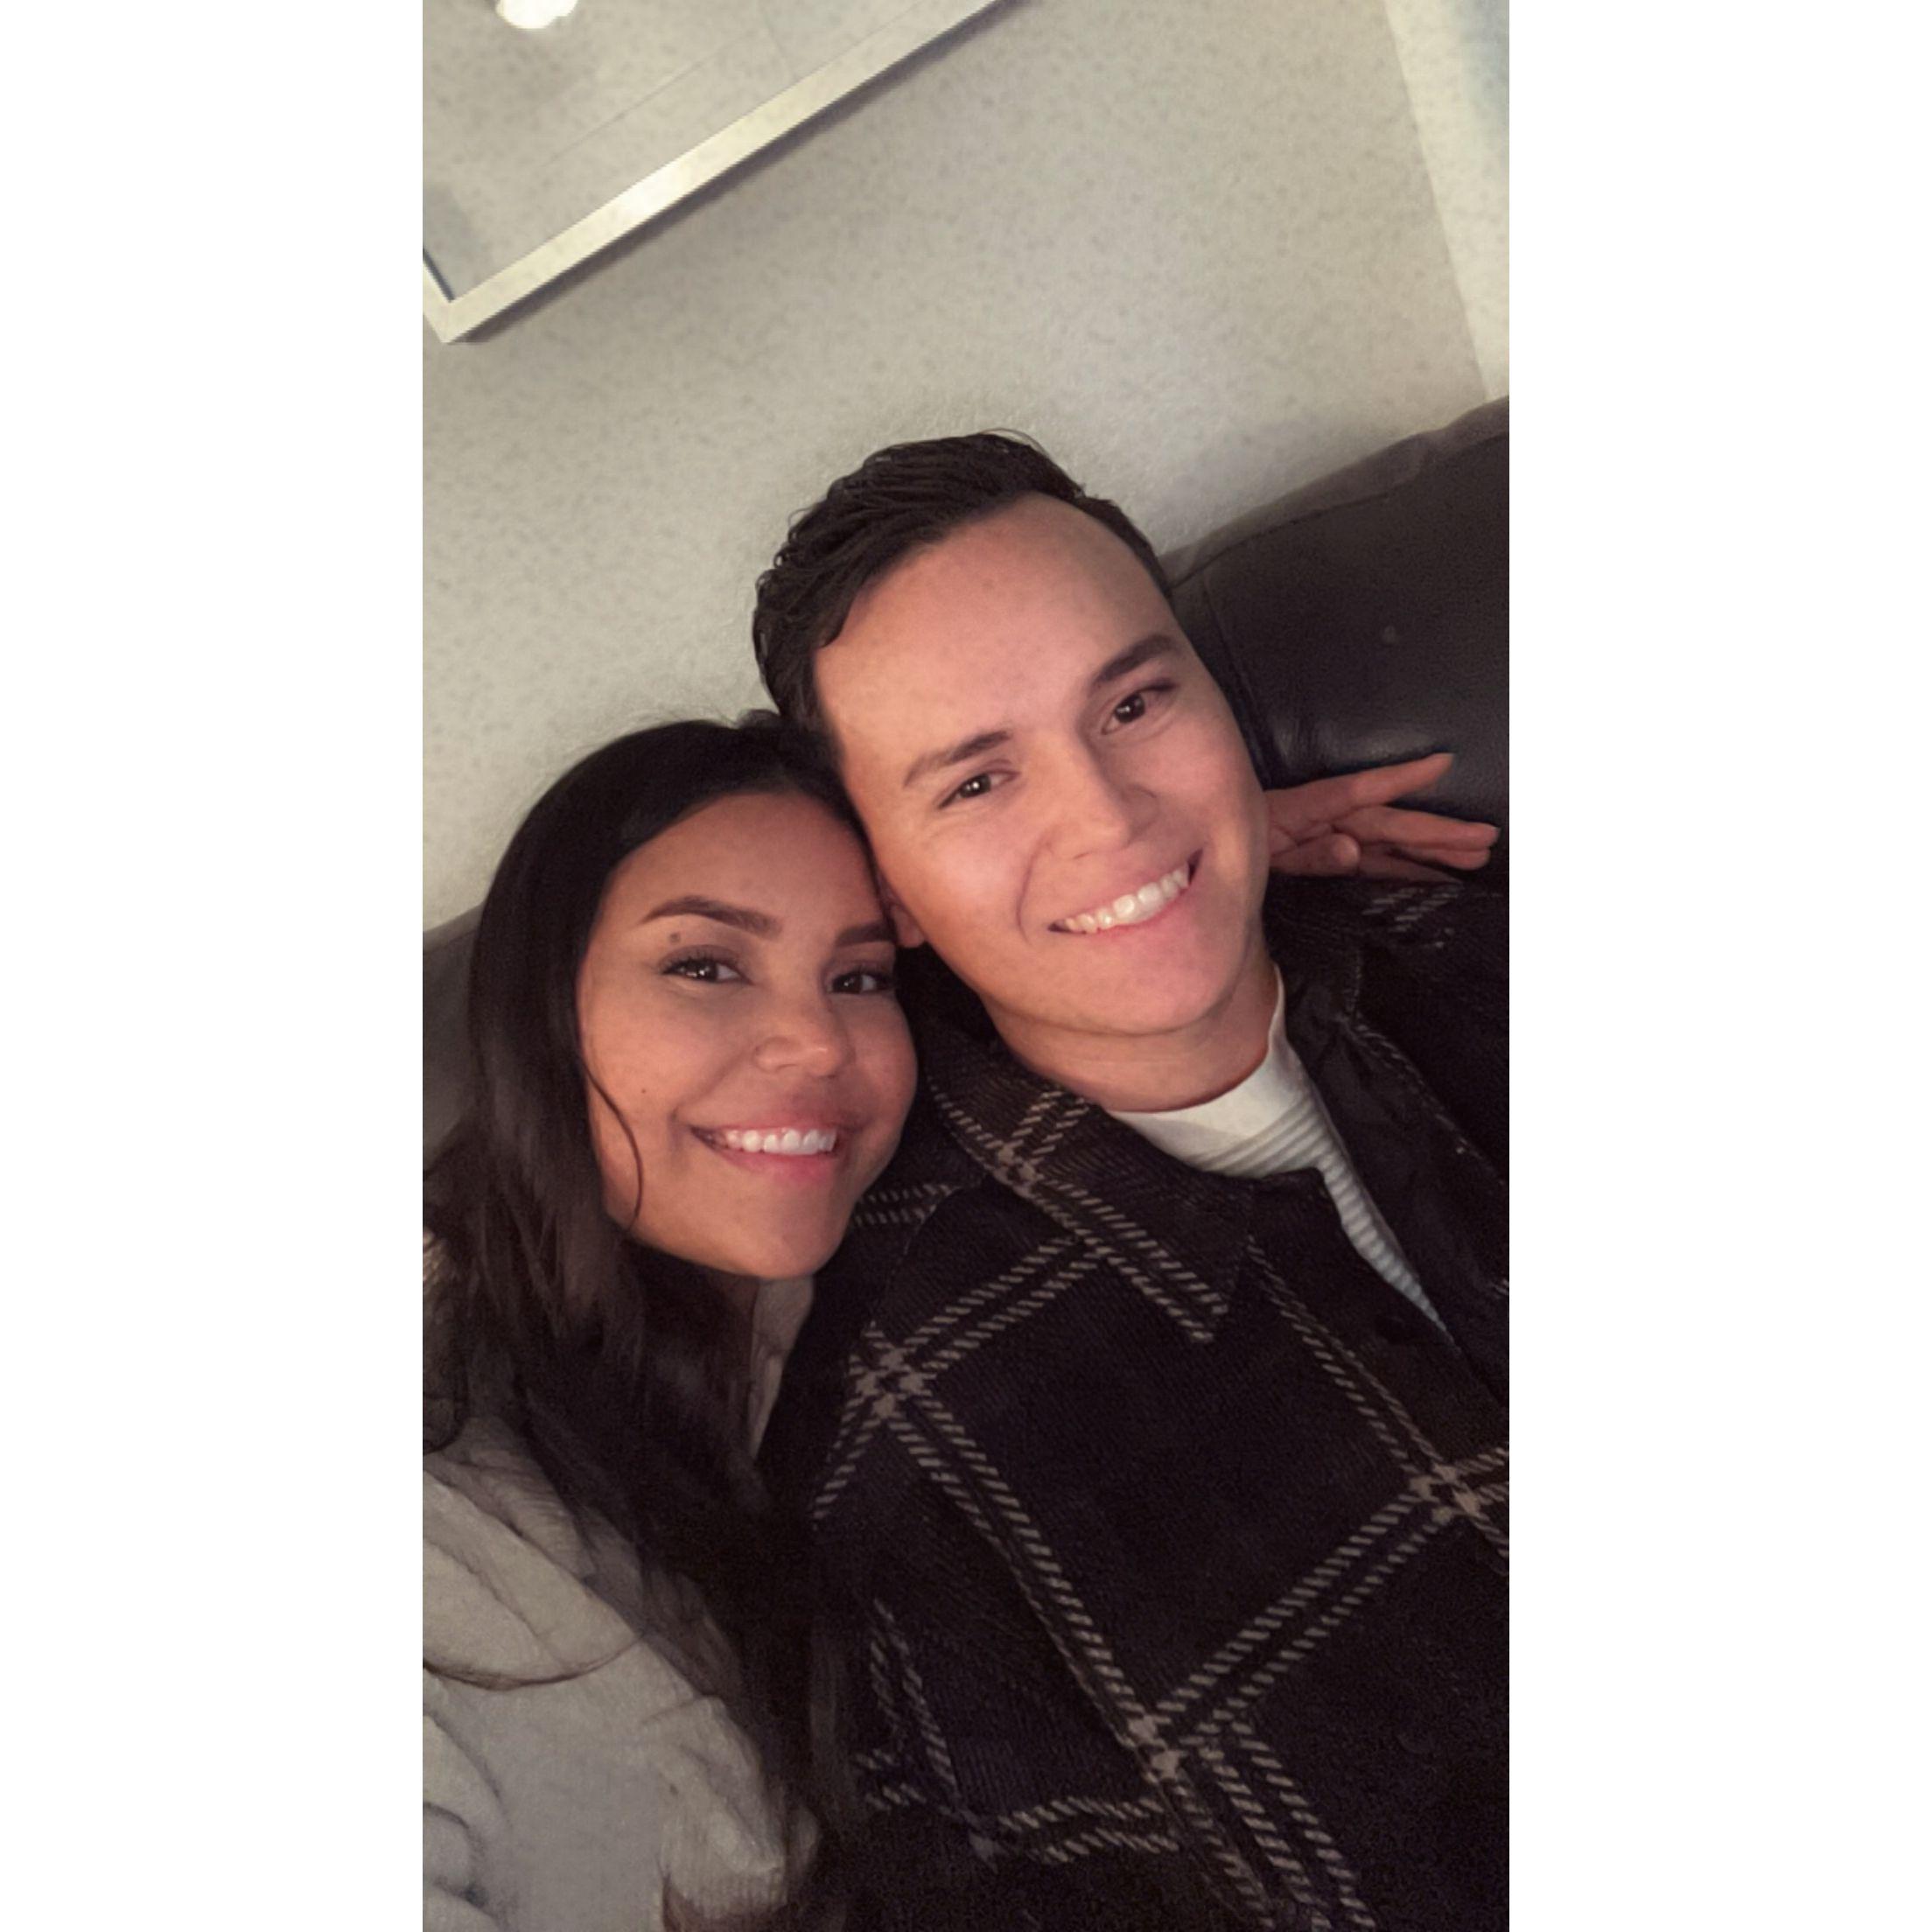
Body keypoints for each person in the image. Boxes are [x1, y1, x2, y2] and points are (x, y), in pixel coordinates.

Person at [749, 433, 1508, 1930]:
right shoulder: (912, 1465)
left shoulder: (1481, 946)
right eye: (978, 781)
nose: (1107, 817)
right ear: (888, 893)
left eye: (1137, 704)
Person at [423, 717, 919, 1932]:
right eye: (705, 965)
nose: (820, 1040)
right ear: (541, 1012)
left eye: (860, 977)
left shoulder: (860, 1274)